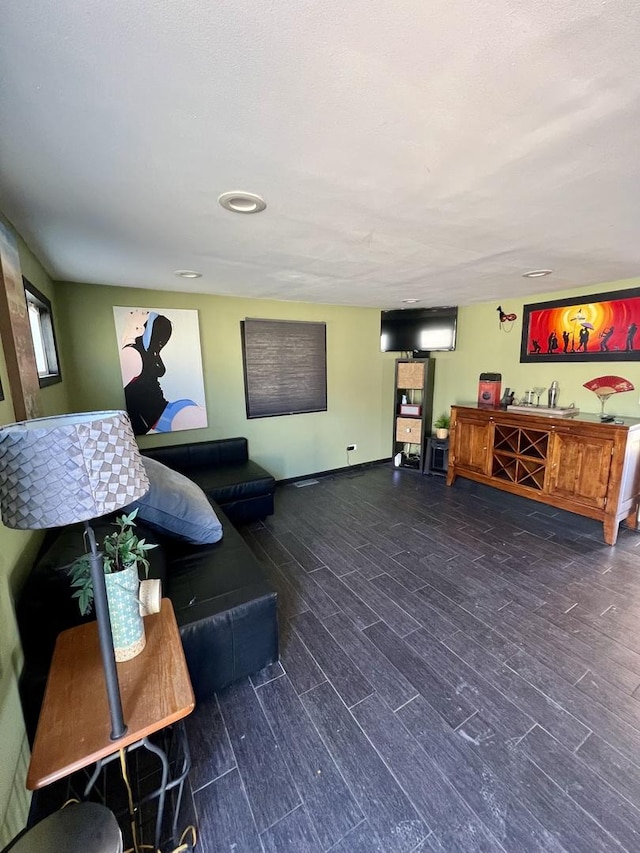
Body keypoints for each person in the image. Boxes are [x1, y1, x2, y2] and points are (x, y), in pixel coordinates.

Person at [120, 311, 207, 435]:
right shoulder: (134, 352)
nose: (133, 312)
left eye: (141, 313)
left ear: (140, 328)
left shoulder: (130, 353)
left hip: (164, 416)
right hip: (169, 413)